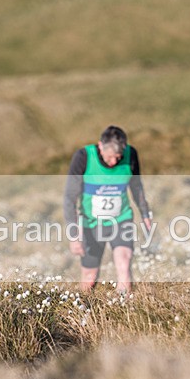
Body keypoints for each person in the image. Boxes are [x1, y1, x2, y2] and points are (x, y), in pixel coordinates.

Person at [64, 125, 152, 294]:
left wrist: (145, 212)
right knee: (89, 276)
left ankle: (124, 312)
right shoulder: (83, 157)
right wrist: (74, 234)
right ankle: (83, 310)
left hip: (121, 220)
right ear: (100, 146)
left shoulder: (130, 154)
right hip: (91, 223)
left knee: (124, 265)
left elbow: (136, 185)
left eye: (118, 158)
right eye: (110, 157)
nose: (113, 162)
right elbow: (70, 198)